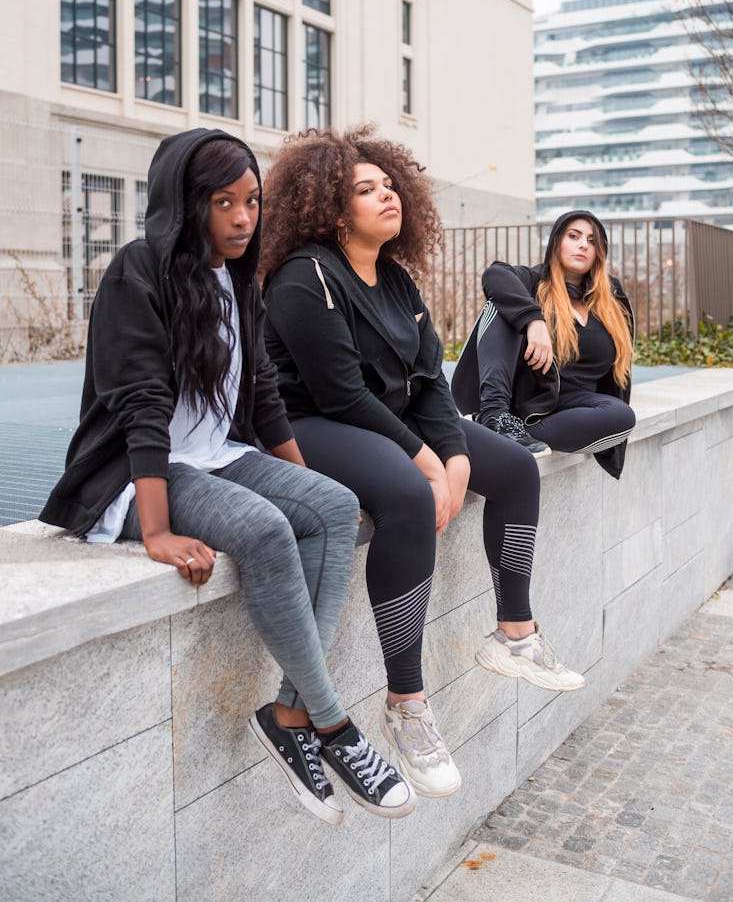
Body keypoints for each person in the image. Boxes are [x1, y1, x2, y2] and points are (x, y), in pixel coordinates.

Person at [40, 127, 415, 825]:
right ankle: (332, 726)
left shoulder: (239, 277)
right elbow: (141, 408)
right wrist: (154, 530)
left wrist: (311, 491)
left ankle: (287, 715)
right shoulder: (138, 270)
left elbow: (265, 393)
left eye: (251, 202)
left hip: (216, 453)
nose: (243, 218)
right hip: (137, 470)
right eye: (224, 202)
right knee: (267, 531)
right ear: (187, 204)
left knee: (334, 508)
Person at [260, 126, 585, 802]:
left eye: (389, 186)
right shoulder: (305, 277)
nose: (386, 196)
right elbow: (339, 392)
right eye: (365, 189)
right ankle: (407, 703)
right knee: (407, 496)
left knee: (517, 470)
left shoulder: (398, 279)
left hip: (388, 421)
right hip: (311, 422)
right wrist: (429, 466)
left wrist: (458, 455)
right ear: (328, 206)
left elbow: (431, 383)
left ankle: (514, 633)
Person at [451, 209, 636, 479]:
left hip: (574, 406)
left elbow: (615, 380)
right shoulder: (533, 282)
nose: (583, 244)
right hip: (524, 399)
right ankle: (494, 418)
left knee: (622, 416)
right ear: (557, 242)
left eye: (592, 240)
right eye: (574, 236)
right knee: (502, 306)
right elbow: (494, 275)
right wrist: (533, 320)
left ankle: (515, 436)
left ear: (600, 253)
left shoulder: (611, 300)